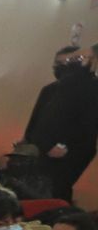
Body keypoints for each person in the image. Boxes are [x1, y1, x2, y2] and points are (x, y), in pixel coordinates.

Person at [24, 45, 98, 202]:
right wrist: (28, 141)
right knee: (36, 190)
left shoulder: (91, 87)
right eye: (57, 63)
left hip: (69, 151)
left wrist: (65, 145)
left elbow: (88, 123)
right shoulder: (50, 90)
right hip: (41, 150)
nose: (60, 67)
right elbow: (36, 121)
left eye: (68, 61)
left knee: (57, 190)